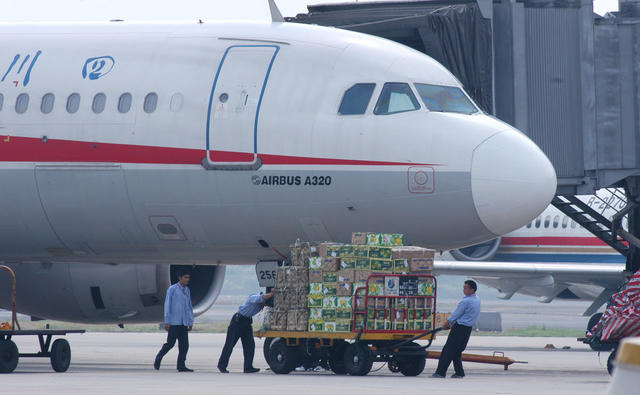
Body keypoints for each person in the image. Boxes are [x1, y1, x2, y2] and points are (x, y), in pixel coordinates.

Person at [432, 280, 481, 378]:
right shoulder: (477, 299)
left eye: (466, 288)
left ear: (472, 289)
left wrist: (447, 322)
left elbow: (456, 314)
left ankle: (440, 372)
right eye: (464, 287)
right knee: (457, 351)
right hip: (467, 329)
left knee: (448, 350)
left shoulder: (466, 301)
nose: (464, 290)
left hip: (460, 327)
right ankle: (459, 372)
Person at [217, 290, 274, 373]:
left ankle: (248, 367)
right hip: (238, 321)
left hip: (247, 322)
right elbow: (260, 298)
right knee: (230, 344)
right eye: (264, 304)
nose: (263, 306)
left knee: (250, 345)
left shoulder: (261, 304)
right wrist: (272, 293)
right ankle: (222, 366)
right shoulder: (253, 297)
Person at [154, 270, 194, 372]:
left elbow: (189, 307)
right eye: (185, 277)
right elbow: (167, 306)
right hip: (174, 323)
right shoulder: (172, 289)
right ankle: (158, 359)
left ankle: (181, 366)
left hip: (183, 323)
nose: (187, 280)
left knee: (184, 346)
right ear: (179, 278)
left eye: (188, 278)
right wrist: (167, 321)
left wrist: (190, 321)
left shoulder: (187, 290)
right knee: (170, 344)